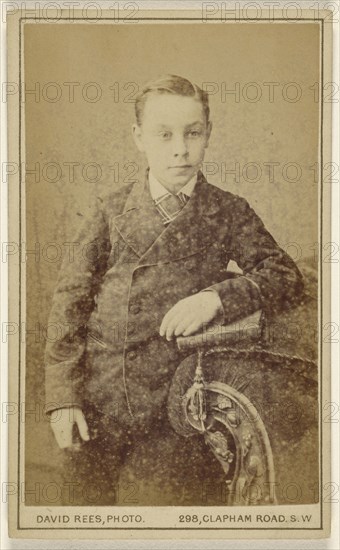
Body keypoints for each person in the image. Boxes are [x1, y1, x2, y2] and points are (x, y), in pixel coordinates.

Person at [45, 74, 304, 505]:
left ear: (208, 134)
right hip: (97, 398)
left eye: (193, 133)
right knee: (78, 514)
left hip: (174, 409)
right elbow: (68, 306)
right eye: (164, 135)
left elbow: (284, 274)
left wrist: (216, 299)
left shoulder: (227, 210)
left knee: (164, 514)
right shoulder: (109, 210)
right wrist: (62, 399)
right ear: (139, 138)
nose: (180, 148)